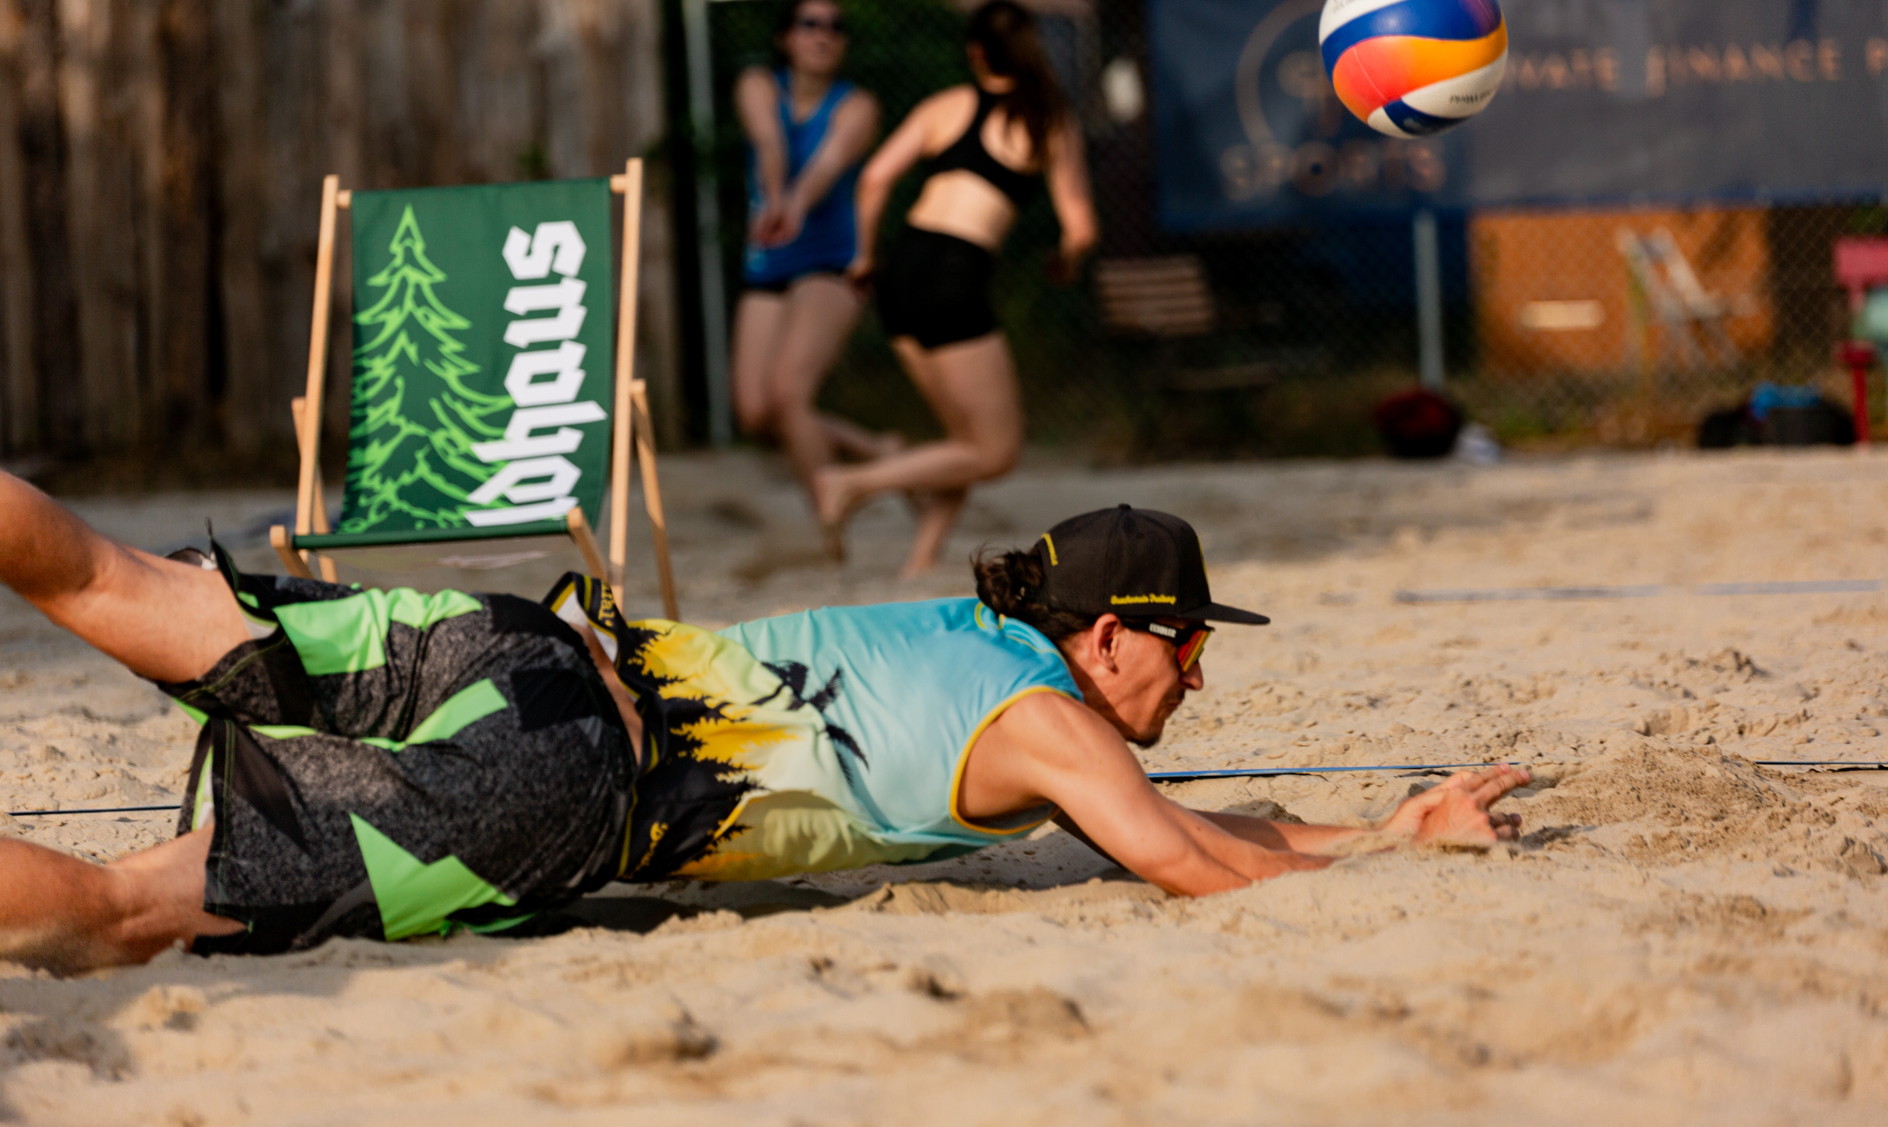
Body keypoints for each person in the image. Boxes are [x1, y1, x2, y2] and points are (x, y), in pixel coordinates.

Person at [0, 473, 1528, 971]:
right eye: (1187, 648)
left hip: (523, 644)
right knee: (125, 916)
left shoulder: (978, 637)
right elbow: (1184, 861)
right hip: (560, 783)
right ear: (1112, 635)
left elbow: (1195, 827)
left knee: (105, 576)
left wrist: (1379, 829)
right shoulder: (1052, 720)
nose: (1197, 682)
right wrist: (1395, 868)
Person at [817, 0, 1100, 577]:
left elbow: (874, 178)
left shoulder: (944, 107)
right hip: (954, 273)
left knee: (964, 440)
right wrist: (1066, 259)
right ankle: (851, 482)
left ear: (975, 53)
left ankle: (920, 561)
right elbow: (1081, 228)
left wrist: (864, 256)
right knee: (995, 451)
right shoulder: (1046, 118)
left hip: (902, 268)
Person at [731, 0, 893, 524]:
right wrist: (775, 200)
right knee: (755, 412)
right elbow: (769, 143)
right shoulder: (758, 84)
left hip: (832, 260)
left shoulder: (858, 105)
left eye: (835, 27)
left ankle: (830, 524)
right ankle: (879, 452)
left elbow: (829, 164)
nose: (824, 34)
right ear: (786, 37)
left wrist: (794, 206)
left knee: (789, 394)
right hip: (770, 259)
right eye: (810, 24)